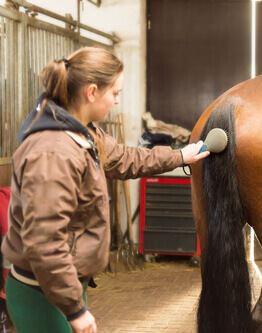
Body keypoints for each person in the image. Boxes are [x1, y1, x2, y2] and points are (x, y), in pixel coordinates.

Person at [1, 46, 209, 333]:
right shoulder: (52, 152)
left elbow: (127, 158)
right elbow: (45, 241)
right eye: (114, 93)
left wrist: (180, 156)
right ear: (91, 92)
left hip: (62, 287)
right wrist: (75, 310)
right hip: (43, 293)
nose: (117, 100)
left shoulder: (83, 131)